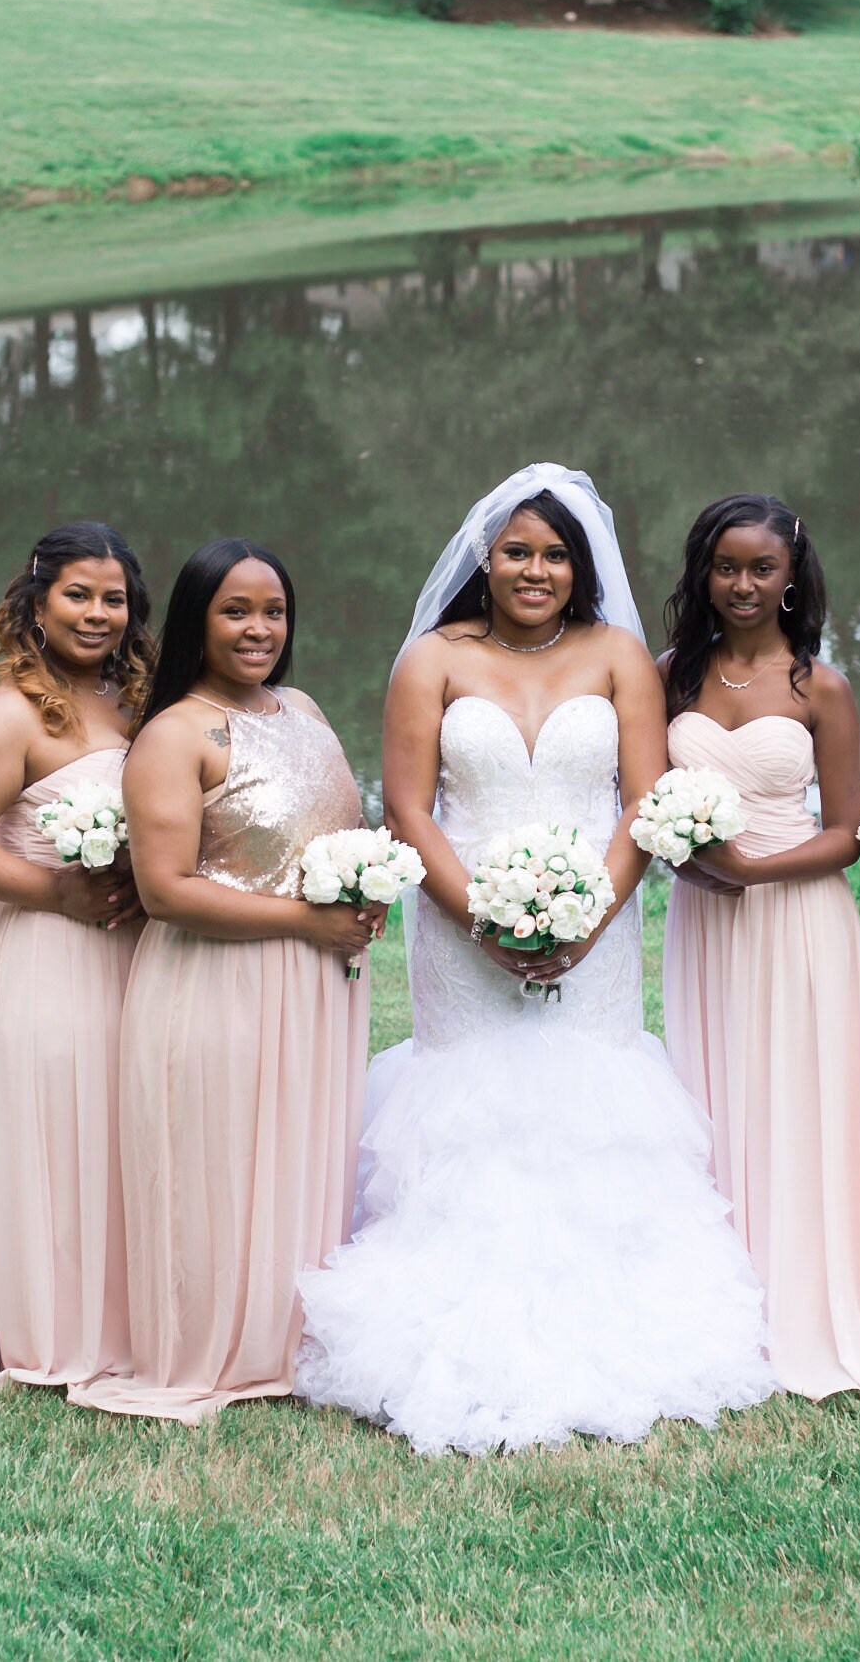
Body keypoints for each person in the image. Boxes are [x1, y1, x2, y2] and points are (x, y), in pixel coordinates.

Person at [295, 464, 775, 1456]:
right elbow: (410, 809)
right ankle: (445, 1331)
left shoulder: (616, 657)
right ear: (485, 557)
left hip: (593, 926)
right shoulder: (431, 659)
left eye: (555, 554)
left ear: (580, 564)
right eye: (517, 551)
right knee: (467, 1105)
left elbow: (644, 802)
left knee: (587, 1104)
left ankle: (614, 1325)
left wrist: (589, 914)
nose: (535, 569)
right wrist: (480, 918)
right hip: (456, 923)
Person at [69, 540, 381, 1424]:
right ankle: (212, 1343)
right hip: (217, 982)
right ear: (196, 622)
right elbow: (166, 890)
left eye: (272, 611)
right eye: (234, 611)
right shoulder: (177, 732)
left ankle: (289, 1338)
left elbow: (328, 831)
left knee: (300, 1150)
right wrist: (305, 921)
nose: (258, 628)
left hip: (316, 978)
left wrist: (364, 892)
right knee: (215, 1162)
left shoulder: (306, 709)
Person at [655, 493, 860, 1401]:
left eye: (760, 568)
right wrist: (698, 869)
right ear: (703, 572)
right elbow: (647, 808)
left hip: (797, 914)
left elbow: (850, 829)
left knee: (799, 1096)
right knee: (713, 1089)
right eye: (725, 567)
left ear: (790, 575)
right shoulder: (668, 677)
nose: (741, 584)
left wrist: (755, 871)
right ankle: (719, 1301)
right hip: (705, 919)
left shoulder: (822, 686)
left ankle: (812, 1300)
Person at [0, 523, 151, 1389]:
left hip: (139, 950)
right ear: (36, 604)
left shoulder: (143, 701)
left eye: (113, 598)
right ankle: (54, 1330)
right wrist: (54, 891)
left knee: (131, 1130)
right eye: (77, 596)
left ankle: (142, 1320)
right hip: (52, 950)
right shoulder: (12, 710)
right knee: (61, 1135)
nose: (96, 614)